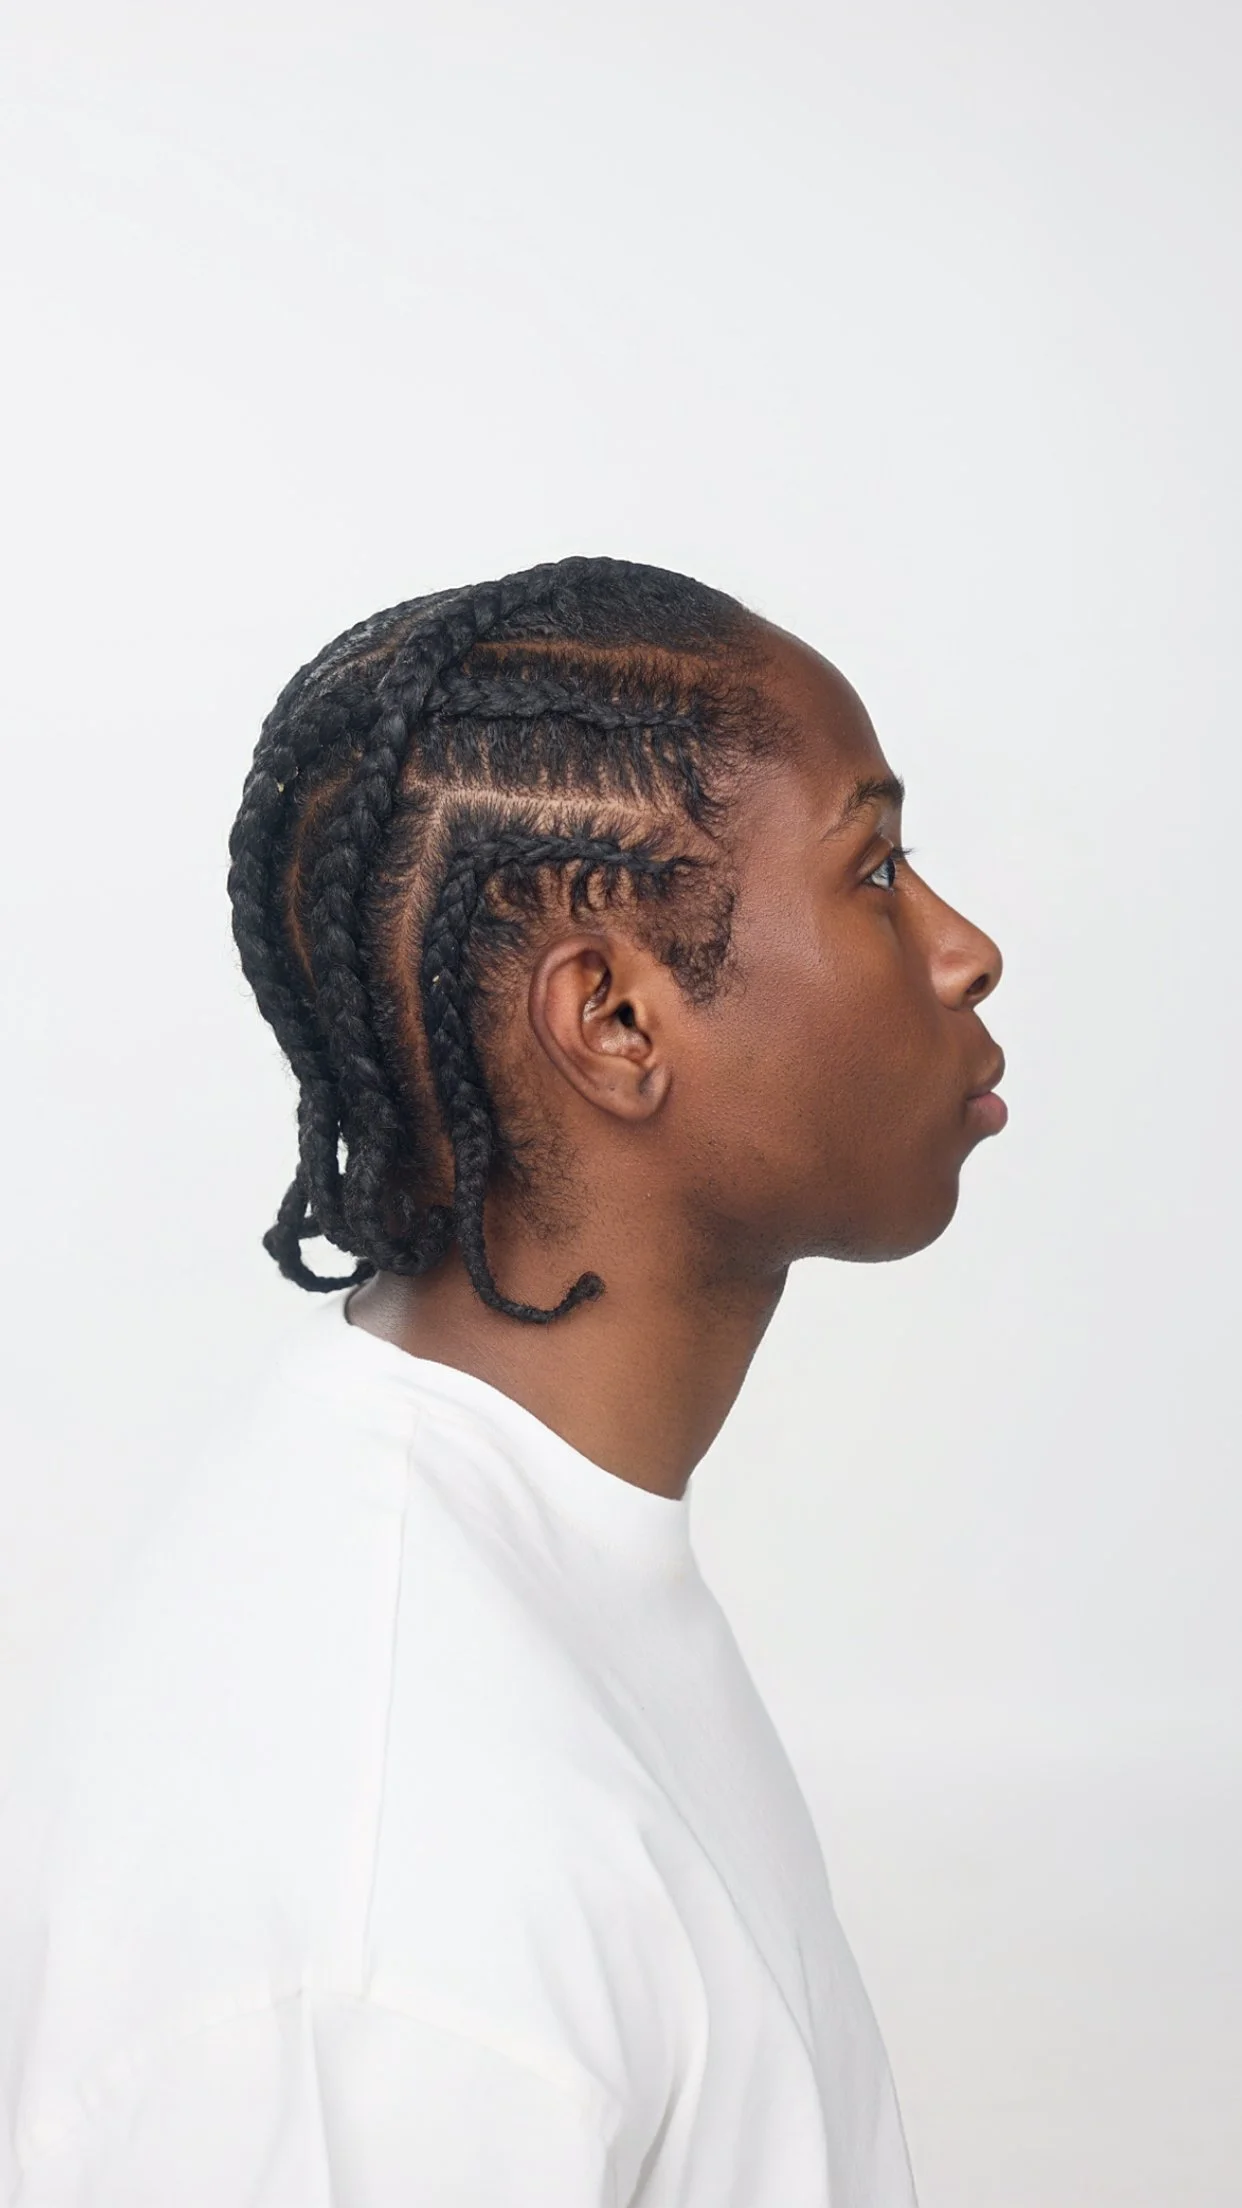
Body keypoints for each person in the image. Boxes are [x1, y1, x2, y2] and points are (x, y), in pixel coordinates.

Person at [0, 557, 1005, 2205]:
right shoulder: (394, 1890)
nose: (963, 949)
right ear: (613, 1018)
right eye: (877, 869)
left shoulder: (530, 1560)